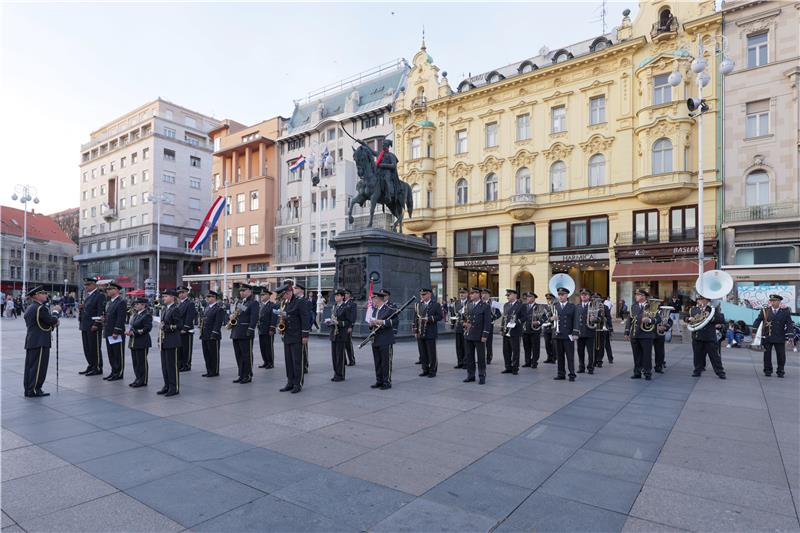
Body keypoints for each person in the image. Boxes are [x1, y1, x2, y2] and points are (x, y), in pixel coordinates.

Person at [23, 286, 59, 397]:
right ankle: (34, 390)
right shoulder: (40, 308)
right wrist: (56, 312)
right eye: (43, 293)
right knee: (39, 367)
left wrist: (51, 325)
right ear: (36, 295)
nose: (45, 295)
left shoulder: (31, 307)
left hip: (32, 340)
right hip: (40, 341)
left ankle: (29, 389)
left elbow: (41, 324)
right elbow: (50, 320)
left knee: (30, 367)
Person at [278, 282, 310, 393]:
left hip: (297, 335)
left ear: (290, 292)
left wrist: (305, 334)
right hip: (288, 335)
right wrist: (280, 327)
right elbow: (285, 317)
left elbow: (305, 318)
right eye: (283, 296)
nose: (284, 297)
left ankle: (298, 383)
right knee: (288, 361)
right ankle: (290, 382)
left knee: (297, 361)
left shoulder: (300, 302)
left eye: (285, 294)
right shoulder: (286, 303)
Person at [752, 294, 793, 377]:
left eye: (774, 301)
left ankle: (780, 370)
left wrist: (790, 336)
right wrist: (754, 331)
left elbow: (789, 324)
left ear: (779, 302)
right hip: (767, 336)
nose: (772, 303)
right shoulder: (765, 311)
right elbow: (758, 320)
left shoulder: (785, 312)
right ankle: (767, 370)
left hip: (779, 336)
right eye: (771, 301)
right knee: (767, 355)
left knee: (781, 355)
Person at [687, 293, 726, 379]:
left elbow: (721, 319)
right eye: (699, 299)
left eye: (703, 299)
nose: (701, 301)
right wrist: (689, 319)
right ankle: (697, 371)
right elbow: (686, 318)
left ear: (707, 301)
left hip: (709, 336)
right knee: (697, 355)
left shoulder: (712, 309)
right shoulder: (693, 309)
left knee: (714, 356)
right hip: (697, 335)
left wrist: (710, 317)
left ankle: (720, 372)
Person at [625, 289, 659, 380]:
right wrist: (627, 331)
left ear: (643, 296)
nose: (636, 296)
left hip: (646, 335)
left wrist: (650, 320)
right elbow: (630, 319)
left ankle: (647, 373)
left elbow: (658, 319)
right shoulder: (634, 306)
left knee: (646, 355)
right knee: (636, 355)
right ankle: (637, 372)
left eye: (638, 295)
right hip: (635, 334)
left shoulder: (651, 306)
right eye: (636, 294)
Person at [230, 284, 259, 384]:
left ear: (250, 291)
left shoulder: (253, 303)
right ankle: (241, 374)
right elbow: (238, 314)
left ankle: (248, 375)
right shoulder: (240, 302)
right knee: (238, 355)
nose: (241, 292)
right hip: (236, 331)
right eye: (240, 291)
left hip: (245, 332)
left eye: (244, 290)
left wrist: (250, 330)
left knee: (246, 355)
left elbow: (254, 318)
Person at [368, 290, 396, 390]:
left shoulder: (389, 309)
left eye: (373, 299)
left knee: (386, 362)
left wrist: (382, 322)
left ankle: (386, 381)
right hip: (375, 339)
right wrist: (371, 324)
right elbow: (372, 323)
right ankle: (379, 380)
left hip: (385, 339)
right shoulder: (375, 310)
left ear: (377, 299)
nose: (372, 301)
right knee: (378, 361)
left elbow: (395, 321)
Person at [158, 289, 183, 396]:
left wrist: (166, 327)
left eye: (166, 296)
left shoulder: (175, 309)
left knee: (172, 365)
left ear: (172, 297)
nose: (164, 298)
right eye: (163, 296)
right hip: (164, 340)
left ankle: (174, 387)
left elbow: (179, 326)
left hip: (172, 341)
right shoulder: (164, 309)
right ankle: (166, 385)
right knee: (165, 365)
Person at [78, 277, 105, 376]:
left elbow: (100, 311)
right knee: (87, 348)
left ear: (94, 285)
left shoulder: (99, 295)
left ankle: (97, 367)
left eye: (88, 285)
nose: (86, 287)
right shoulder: (87, 296)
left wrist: (96, 324)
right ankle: (91, 365)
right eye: (85, 285)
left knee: (94, 347)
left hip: (93, 326)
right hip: (85, 325)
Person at [552, 287, 579, 381]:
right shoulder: (555, 306)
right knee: (559, 356)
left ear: (567, 295)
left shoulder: (572, 306)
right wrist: (551, 319)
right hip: (557, 334)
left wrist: (575, 333)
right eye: (559, 295)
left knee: (570, 356)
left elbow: (576, 320)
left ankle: (572, 374)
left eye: (562, 295)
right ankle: (561, 374)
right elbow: (546, 318)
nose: (560, 296)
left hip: (568, 335)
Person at [414, 288, 441, 378]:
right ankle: (425, 369)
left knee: (431, 353)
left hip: (430, 331)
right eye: (421, 294)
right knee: (422, 352)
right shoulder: (418, 305)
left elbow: (440, 316)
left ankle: (432, 371)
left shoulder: (436, 305)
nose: (422, 296)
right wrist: (415, 330)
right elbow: (415, 318)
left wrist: (429, 319)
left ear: (429, 294)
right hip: (420, 332)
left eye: (424, 294)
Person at [126, 297, 152, 387]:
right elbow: (132, 325)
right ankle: (137, 378)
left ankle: (143, 380)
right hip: (134, 341)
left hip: (142, 341)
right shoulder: (136, 314)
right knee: (135, 362)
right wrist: (129, 331)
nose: (135, 306)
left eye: (137, 304)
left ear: (143, 305)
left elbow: (147, 328)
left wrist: (135, 332)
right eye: (135, 304)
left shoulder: (146, 315)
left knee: (142, 362)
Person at [103, 283, 127, 381]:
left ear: (116, 290)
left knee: (118, 354)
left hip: (116, 332)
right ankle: (113, 371)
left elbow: (120, 318)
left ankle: (119, 373)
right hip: (109, 331)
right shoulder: (110, 302)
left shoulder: (121, 302)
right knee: (111, 353)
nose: (107, 291)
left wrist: (116, 331)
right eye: (107, 289)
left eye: (110, 289)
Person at [326, 289, 350, 382]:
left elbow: (348, 321)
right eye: (335, 296)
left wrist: (338, 322)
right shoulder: (334, 306)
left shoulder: (346, 307)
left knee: (340, 356)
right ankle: (336, 373)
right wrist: (330, 322)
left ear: (343, 297)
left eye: (338, 295)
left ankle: (341, 375)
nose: (336, 297)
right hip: (334, 333)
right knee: (334, 356)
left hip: (341, 334)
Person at [501, 288, 526, 375]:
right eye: (507, 295)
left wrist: (517, 322)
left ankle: (515, 368)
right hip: (506, 330)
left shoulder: (521, 305)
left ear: (515, 295)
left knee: (515, 350)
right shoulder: (506, 305)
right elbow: (504, 317)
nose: (507, 297)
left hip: (515, 331)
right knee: (506, 350)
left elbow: (524, 317)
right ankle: (508, 367)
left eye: (509, 295)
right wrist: (502, 329)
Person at [200, 290, 225, 377]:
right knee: (206, 354)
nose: (207, 298)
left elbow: (218, 323)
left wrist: (214, 333)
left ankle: (215, 371)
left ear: (214, 298)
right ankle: (209, 370)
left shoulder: (218, 309)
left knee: (213, 354)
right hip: (205, 334)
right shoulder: (207, 308)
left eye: (209, 297)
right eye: (207, 297)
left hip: (213, 335)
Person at [576, 289, 597, 375]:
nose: (584, 296)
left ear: (589, 296)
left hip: (589, 332)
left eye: (586, 294)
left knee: (590, 352)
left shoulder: (593, 306)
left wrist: (595, 319)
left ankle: (590, 367)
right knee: (580, 351)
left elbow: (600, 318)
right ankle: (581, 367)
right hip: (580, 332)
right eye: (582, 295)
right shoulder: (577, 306)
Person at [176, 287, 196, 372]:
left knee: (186, 349)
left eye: (183, 292)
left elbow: (190, 316)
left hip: (186, 330)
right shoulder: (179, 304)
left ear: (187, 293)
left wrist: (185, 328)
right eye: (180, 293)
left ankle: (187, 365)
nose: (181, 294)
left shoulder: (190, 303)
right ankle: (180, 364)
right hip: (179, 329)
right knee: (180, 348)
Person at [521, 292, 542, 369]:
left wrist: (538, 322)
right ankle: (527, 362)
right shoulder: (523, 306)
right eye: (527, 297)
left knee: (535, 347)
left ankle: (534, 362)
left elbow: (545, 317)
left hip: (535, 330)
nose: (528, 298)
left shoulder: (539, 306)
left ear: (534, 298)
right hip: (525, 329)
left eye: (529, 297)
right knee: (526, 347)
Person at [592, 292, 613, 368]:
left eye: (597, 299)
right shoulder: (591, 307)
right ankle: (594, 360)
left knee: (601, 346)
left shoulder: (605, 307)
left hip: (602, 328)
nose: (595, 300)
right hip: (593, 328)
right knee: (593, 346)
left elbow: (609, 318)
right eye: (594, 298)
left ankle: (599, 360)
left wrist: (610, 328)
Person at [257, 288, 276, 369]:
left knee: (269, 347)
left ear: (268, 295)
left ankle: (270, 363)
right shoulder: (261, 305)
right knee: (262, 347)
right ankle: (265, 361)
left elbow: (274, 317)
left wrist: (272, 328)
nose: (261, 296)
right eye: (261, 295)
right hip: (261, 329)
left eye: (263, 295)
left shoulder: (273, 305)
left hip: (268, 329)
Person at [481, 288, 500, 364]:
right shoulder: (480, 302)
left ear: (489, 295)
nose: (483, 295)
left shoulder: (493, 303)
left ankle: (489, 357)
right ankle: (481, 357)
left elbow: (499, 313)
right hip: (480, 324)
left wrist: (492, 318)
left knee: (488, 342)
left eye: (485, 293)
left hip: (489, 324)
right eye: (482, 293)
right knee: (480, 342)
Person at [654, 302, 673, 373]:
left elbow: (670, 321)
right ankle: (645, 367)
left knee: (660, 352)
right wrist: (656, 327)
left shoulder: (663, 312)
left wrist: (665, 327)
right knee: (646, 352)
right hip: (649, 333)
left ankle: (659, 367)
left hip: (660, 334)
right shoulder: (648, 311)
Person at [452, 288, 469, 369]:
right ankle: (460, 362)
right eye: (460, 293)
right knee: (458, 346)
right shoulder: (457, 303)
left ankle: (466, 363)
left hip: (466, 327)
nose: (461, 294)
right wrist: (452, 325)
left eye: (463, 293)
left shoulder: (469, 302)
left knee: (466, 346)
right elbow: (454, 314)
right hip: (458, 326)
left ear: (467, 294)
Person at [343, 288, 357, 366]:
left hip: (348, 326)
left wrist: (351, 326)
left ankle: (352, 360)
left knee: (348, 343)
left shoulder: (352, 304)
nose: (345, 295)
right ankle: (344, 360)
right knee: (342, 344)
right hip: (341, 326)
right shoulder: (342, 303)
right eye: (344, 294)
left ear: (349, 295)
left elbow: (353, 316)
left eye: (346, 294)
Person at [542, 293, 556, 364]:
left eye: (550, 299)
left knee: (553, 344)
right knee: (547, 343)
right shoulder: (545, 307)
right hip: (546, 327)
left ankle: (554, 358)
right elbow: (543, 317)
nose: (548, 300)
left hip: (553, 327)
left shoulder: (555, 307)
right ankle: (549, 357)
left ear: (553, 299)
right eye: (547, 299)